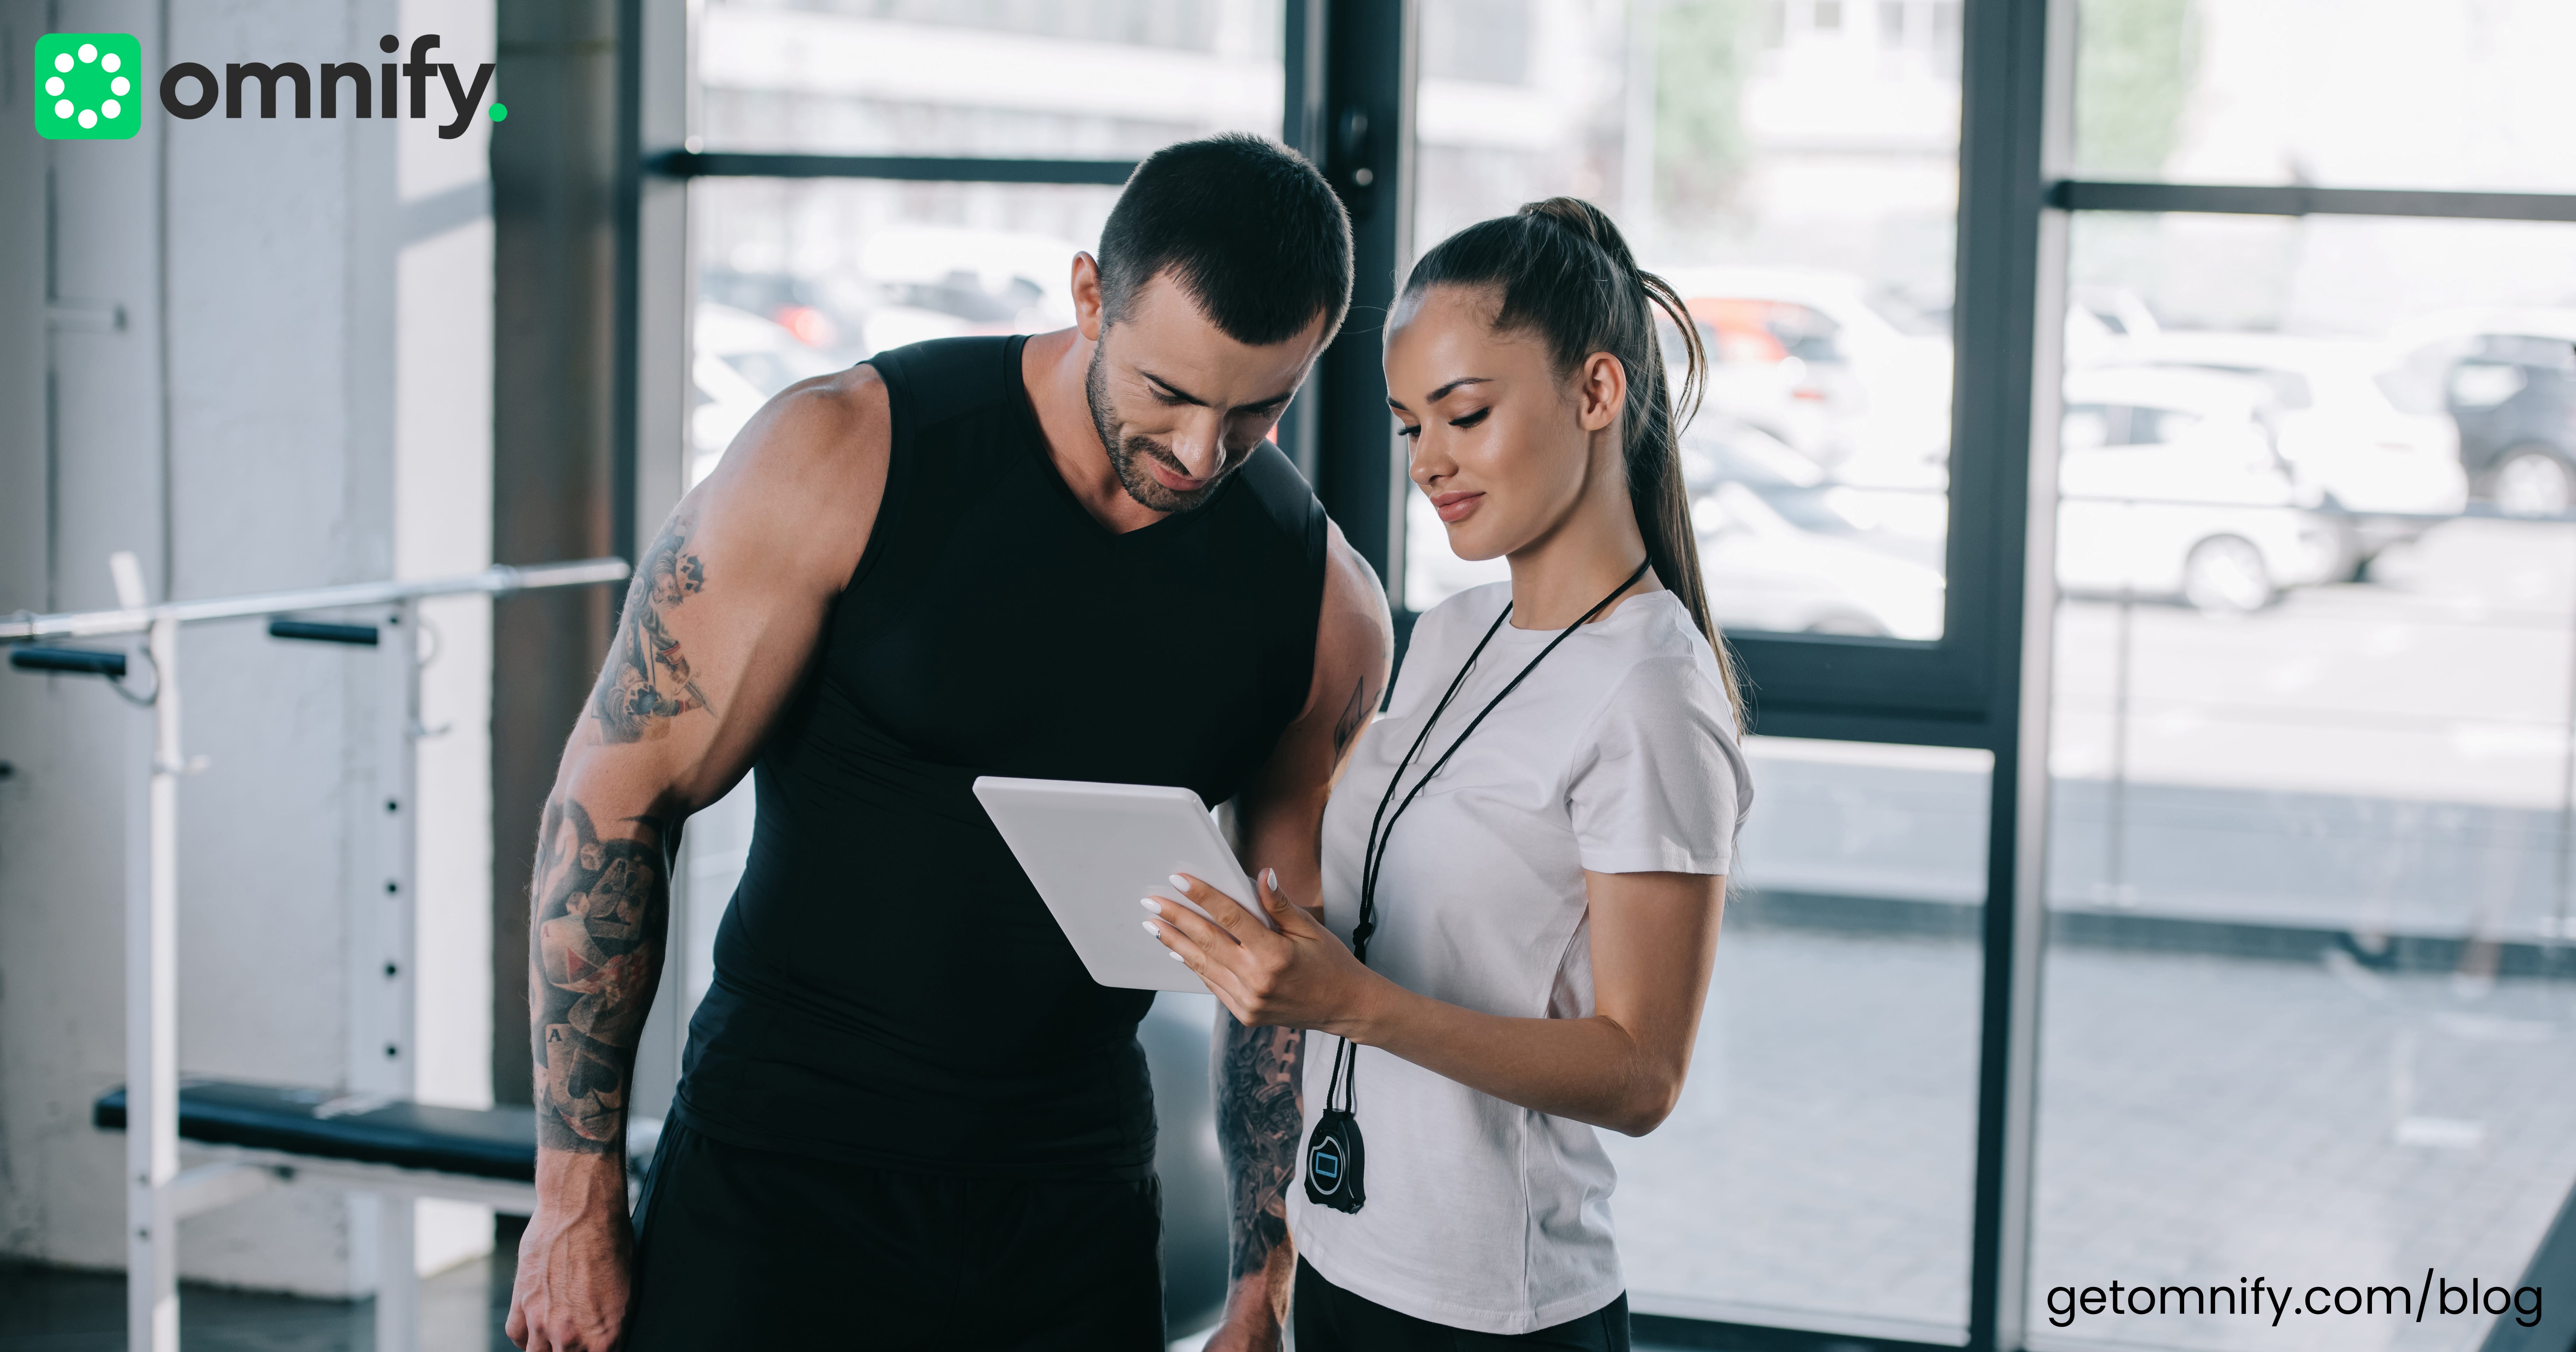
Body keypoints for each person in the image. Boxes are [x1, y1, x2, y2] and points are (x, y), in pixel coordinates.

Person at [504, 133, 1391, 1352]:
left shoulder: (1323, 609)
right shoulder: (843, 454)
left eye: (1257, 411)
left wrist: (1261, 1285)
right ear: (1090, 296)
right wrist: (572, 1197)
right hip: (781, 1164)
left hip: (1069, 1197)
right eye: (1169, 395)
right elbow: (610, 805)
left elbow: (1279, 974)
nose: (1199, 456)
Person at [1147, 198, 1753, 1350]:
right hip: (1340, 1256)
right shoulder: (1454, 631)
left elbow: (1642, 1075)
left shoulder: (1650, 693)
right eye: (1408, 425)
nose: (1430, 463)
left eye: (1465, 415)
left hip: (1493, 1313)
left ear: (1596, 393)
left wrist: (1357, 1004)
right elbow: (1389, 919)